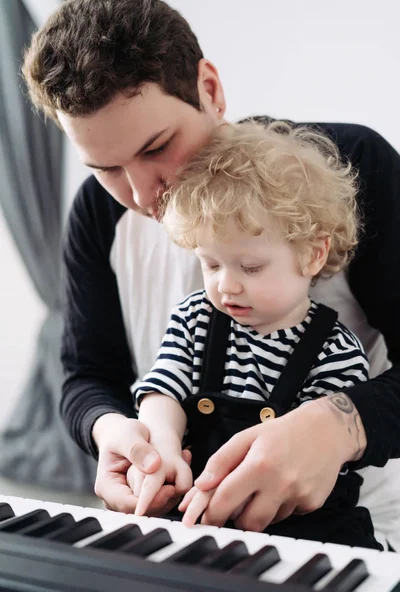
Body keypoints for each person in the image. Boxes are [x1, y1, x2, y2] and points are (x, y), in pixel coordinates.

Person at [22, 0, 400, 548]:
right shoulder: (97, 217)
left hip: (356, 537)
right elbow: (88, 377)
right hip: (188, 533)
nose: (142, 194)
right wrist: (113, 431)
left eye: (157, 147)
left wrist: (339, 425)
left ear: (210, 90)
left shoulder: (345, 169)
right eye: (106, 169)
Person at [130, 120, 382, 548]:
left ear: (312, 254)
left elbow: (319, 462)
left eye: (250, 267)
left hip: (306, 530)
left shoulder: (336, 350)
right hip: (196, 513)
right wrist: (164, 447)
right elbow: (163, 389)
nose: (226, 285)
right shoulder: (195, 317)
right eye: (211, 264)